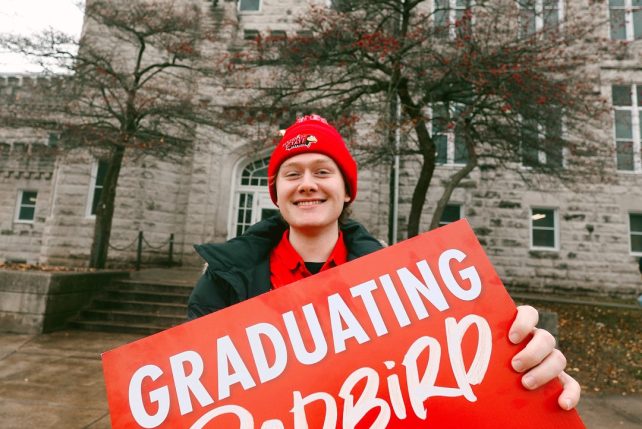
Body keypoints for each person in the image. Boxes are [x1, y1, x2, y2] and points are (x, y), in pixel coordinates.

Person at [187, 114, 580, 410]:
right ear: (277, 193)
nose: (307, 183)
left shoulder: (404, 285)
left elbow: (447, 386)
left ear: (346, 192)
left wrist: (524, 374)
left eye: (322, 171)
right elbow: (194, 401)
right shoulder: (222, 281)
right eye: (292, 174)